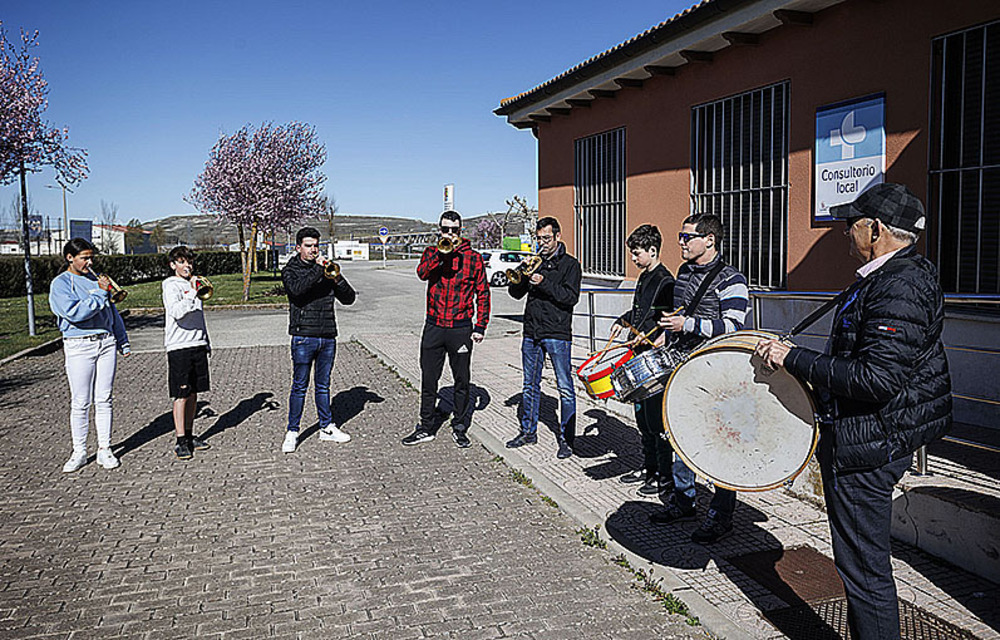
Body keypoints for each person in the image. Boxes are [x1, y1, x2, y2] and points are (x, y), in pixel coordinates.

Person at [755, 183, 951, 640]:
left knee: (863, 569)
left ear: (876, 229)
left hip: (869, 443)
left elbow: (875, 379)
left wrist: (794, 359)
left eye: (851, 224)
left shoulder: (898, 286)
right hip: (874, 434)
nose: (845, 233)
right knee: (861, 563)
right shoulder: (893, 276)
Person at [649, 214, 749, 544]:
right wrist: (668, 332)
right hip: (682, 368)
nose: (680, 242)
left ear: (709, 240)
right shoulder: (683, 273)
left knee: (721, 446)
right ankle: (684, 501)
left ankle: (721, 517)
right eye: (680, 236)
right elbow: (682, 314)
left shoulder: (732, 279)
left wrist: (687, 326)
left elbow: (733, 327)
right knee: (679, 437)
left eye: (686, 236)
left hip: (716, 374)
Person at [402, 210, 490, 448]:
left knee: (462, 380)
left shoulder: (474, 258)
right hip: (434, 326)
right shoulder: (432, 252)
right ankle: (426, 426)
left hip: (460, 328)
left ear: (460, 231)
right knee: (429, 379)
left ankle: (460, 426)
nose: (449, 234)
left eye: (454, 230)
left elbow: (483, 293)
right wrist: (441, 256)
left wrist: (480, 325)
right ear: (439, 230)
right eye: (445, 230)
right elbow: (422, 274)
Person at [49, 238, 131, 473]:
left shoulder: (95, 280)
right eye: (84, 258)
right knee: (81, 401)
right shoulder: (61, 284)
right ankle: (80, 451)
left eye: (91, 257)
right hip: (78, 345)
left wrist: (122, 339)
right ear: (70, 258)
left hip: (105, 343)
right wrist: (99, 295)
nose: (89, 262)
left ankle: (105, 449)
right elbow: (74, 313)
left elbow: (111, 312)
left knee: (104, 399)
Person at [505, 216, 582, 459]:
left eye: (547, 239)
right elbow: (515, 293)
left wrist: (544, 282)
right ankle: (528, 431)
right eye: (539, 239)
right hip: (532, 332)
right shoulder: (534, 262)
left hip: (557, 333)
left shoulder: (571, 265)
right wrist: (522, 274)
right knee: (529, 384)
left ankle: (567, 439)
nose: (542, 244)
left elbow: (570, 297)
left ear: (558, 237)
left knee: (565, 388)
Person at [609, 225, 675, 496]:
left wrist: (658, 337)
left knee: (656, 420)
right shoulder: (644, 276)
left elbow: (668, 320)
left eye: (636, 254)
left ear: (652, 250)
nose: (633, 259)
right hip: (639, 355)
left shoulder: (666, 282)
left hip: (655, 360)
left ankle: (663, 475)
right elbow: (641, 312)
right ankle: (648, 467)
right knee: (641, 418)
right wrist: (623, 321)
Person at [281, 227, 357, 453]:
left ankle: (326, 427)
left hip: (327, 336)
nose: (313, 249)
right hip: (303, 335)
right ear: (298, 248)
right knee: (299, 386)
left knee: (323, 386)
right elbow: (297, 291)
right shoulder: (290, 270)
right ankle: (292, 431)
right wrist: (318, 270)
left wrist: (337, 277)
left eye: (316, 245)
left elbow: (349, 298)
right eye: (308, 246)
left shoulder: (325, 271)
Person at [162, 246, 212, 460]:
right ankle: (180, 440)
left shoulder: (196, 283)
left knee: (194, 393)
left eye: (189, 262)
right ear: (173, 265)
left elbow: (199, 316)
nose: (187, 266)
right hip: (179, 346)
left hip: (197, 344)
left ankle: (190, 435)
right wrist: (191, 291)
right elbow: (177, 312)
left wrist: (206, 341)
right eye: (182, 262)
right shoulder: (170, 285)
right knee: (181, 395)